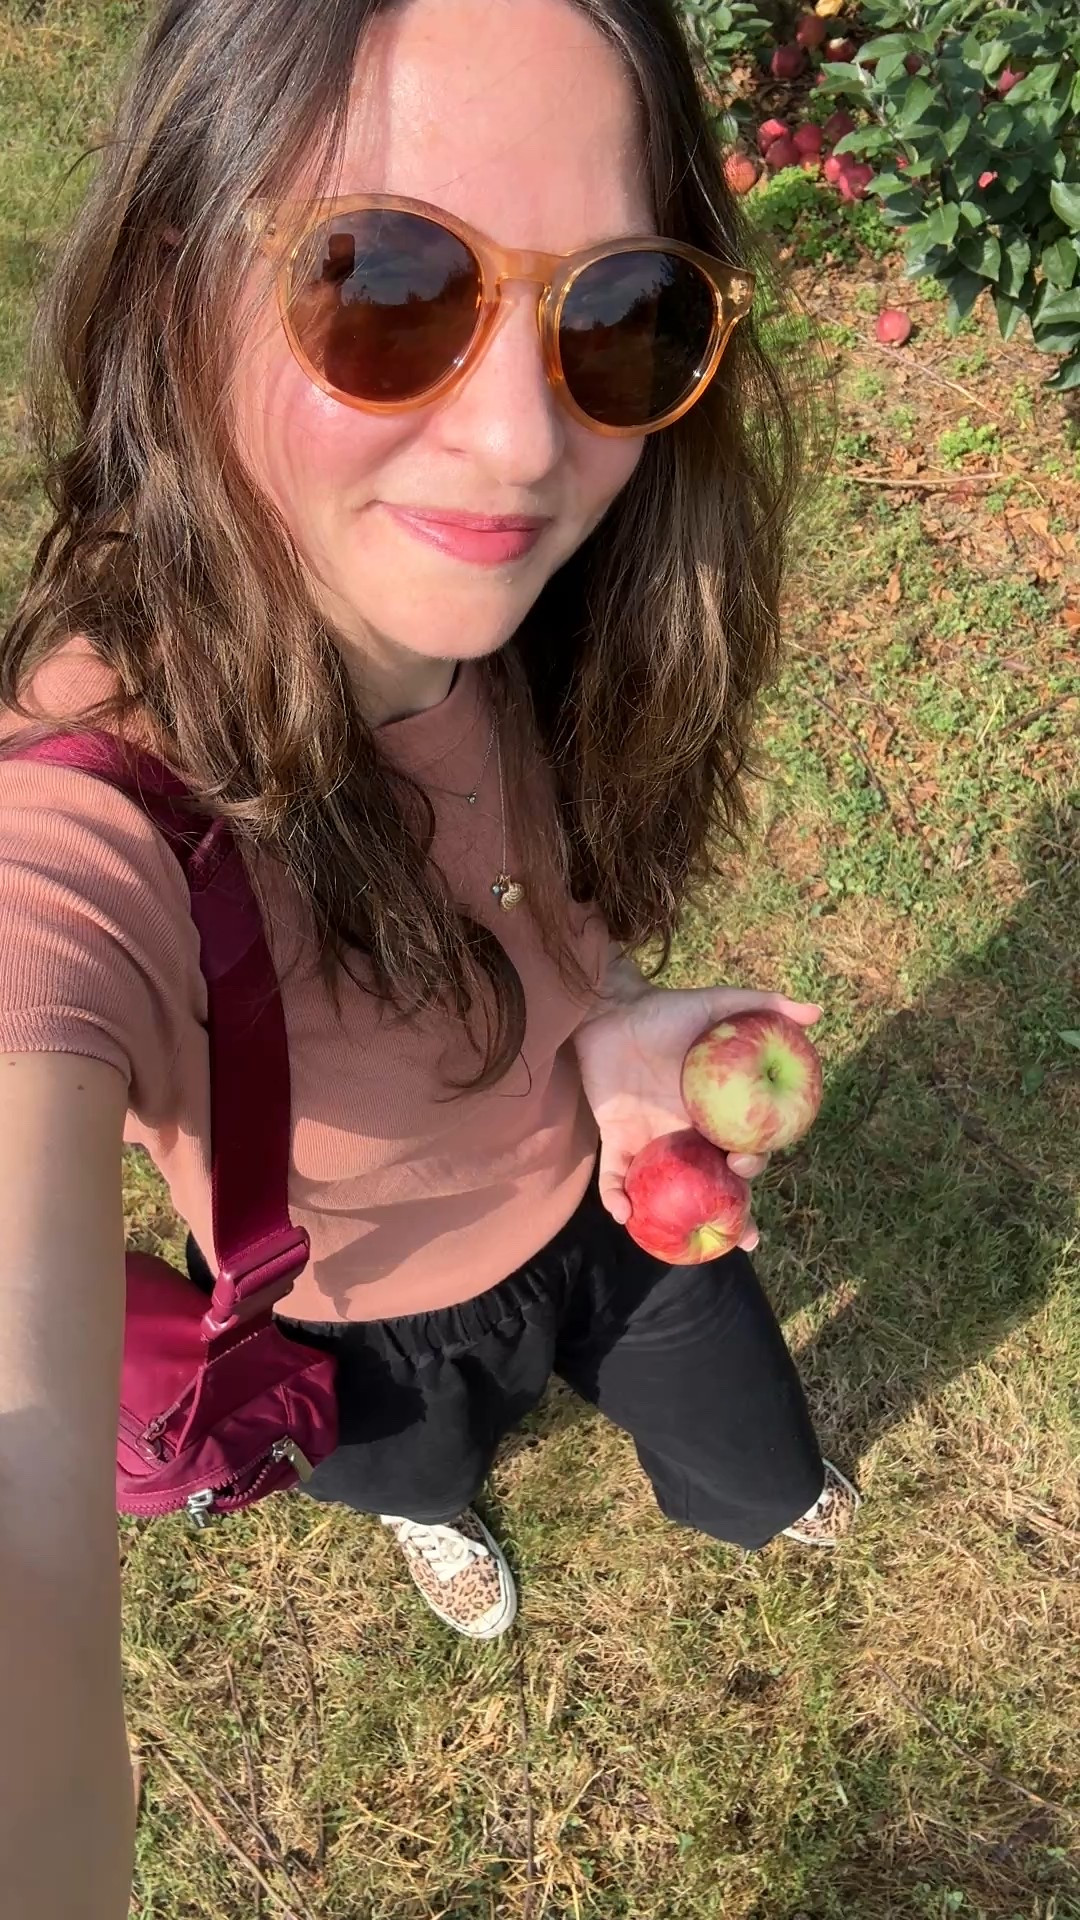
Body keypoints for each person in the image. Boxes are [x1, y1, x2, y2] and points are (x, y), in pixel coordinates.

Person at [0, 0, 861, 1908]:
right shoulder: (96, 813)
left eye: (618, 311)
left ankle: (763, 1506)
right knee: (408, 1466)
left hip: (617, 1196)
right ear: (169, 277)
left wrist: (616, 1031)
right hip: (365, 1315)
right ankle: (433, 1510)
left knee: (748, 1452)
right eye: (385, 280)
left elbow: (532, 911)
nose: (522, 430)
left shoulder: (507, 623)